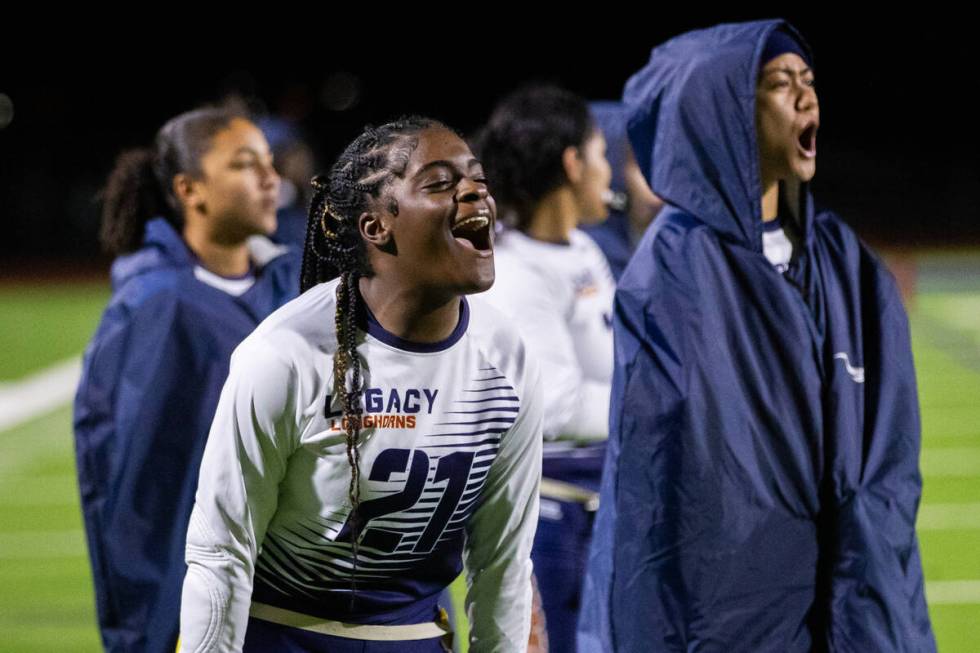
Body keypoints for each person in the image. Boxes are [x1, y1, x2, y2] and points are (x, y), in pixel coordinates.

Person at [579, 20, 936, 652]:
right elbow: (674, 483)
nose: (806, 98)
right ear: (725, 114)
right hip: (737, 612)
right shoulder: (674, 270)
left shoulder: (844, 261)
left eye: (809, 81)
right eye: (779, 83)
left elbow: (890, 451)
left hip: (852, 593)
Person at [179, 116, 543, 652]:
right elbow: (221, 551)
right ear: (376, 227)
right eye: (441, 183)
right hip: (285, 637)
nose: (475, 192)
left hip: (416, 638)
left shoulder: (505, 357)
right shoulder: (286, 356)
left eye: (477, 179)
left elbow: (502, 560)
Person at [73, 105, 301, 653]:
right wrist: (157, 627)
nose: (272, 179)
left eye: (270, 162)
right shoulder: (156, 305)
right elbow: (137, 493)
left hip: (296, 591)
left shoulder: (289, 283)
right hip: (210, 604)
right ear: (191, 189)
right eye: (245, 165)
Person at [477, 85, 613, 653]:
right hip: (552, 520)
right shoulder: (513, 270)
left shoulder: (582, 248)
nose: (608, 169)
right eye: (601, 153)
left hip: (597, 506)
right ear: (572, 162)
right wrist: (662, 403)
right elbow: (556, 409)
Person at [580, 101, 663, 281]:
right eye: (642, 167)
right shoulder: (592, 246)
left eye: (665, 168)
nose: (656, 190)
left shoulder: (692, 240)